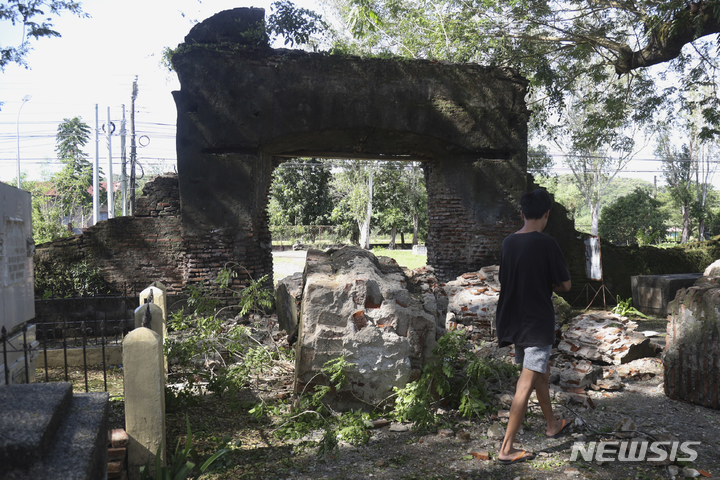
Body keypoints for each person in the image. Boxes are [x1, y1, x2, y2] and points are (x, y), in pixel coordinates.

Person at [496, 188, 572, 465]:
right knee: (525, 385)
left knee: (540, 372)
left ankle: (552, 424)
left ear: (522, 213)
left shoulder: (508, 242)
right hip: (537, 323)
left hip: (512, 319)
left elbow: (506, 279)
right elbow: (565, 285)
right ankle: (506, 449)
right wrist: (548, 284)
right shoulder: (547, 243)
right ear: (547, 214)